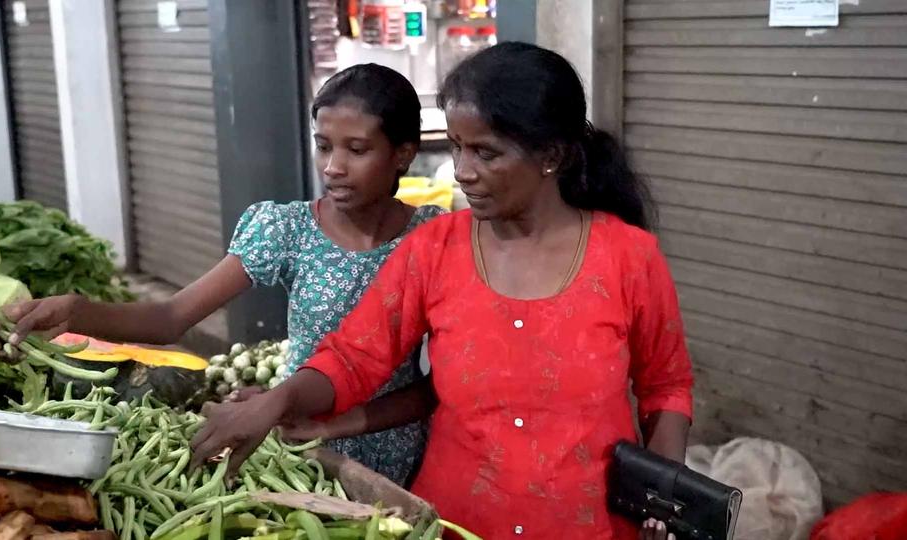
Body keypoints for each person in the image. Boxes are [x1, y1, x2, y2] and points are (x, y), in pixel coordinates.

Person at [192, 42, 694, 539]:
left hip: (590, 525)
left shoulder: (629, 257)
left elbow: (666, 388)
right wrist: (279, 400)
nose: (462, 170)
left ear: (552, 155)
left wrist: (663, 491)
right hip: (454, 522)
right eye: (456, 146)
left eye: (485, 152)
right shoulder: (434, 249)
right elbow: (352, 357)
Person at [0, 63, 445, 488]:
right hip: (297, 441)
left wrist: (326, 415)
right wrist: (75, 311)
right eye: (323, 146)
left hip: (399, 445)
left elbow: (436, 385)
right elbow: (171, 317)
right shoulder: (288, 229)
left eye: (356, 150)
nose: (333, 167)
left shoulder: (435, 239)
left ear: (402, 154)